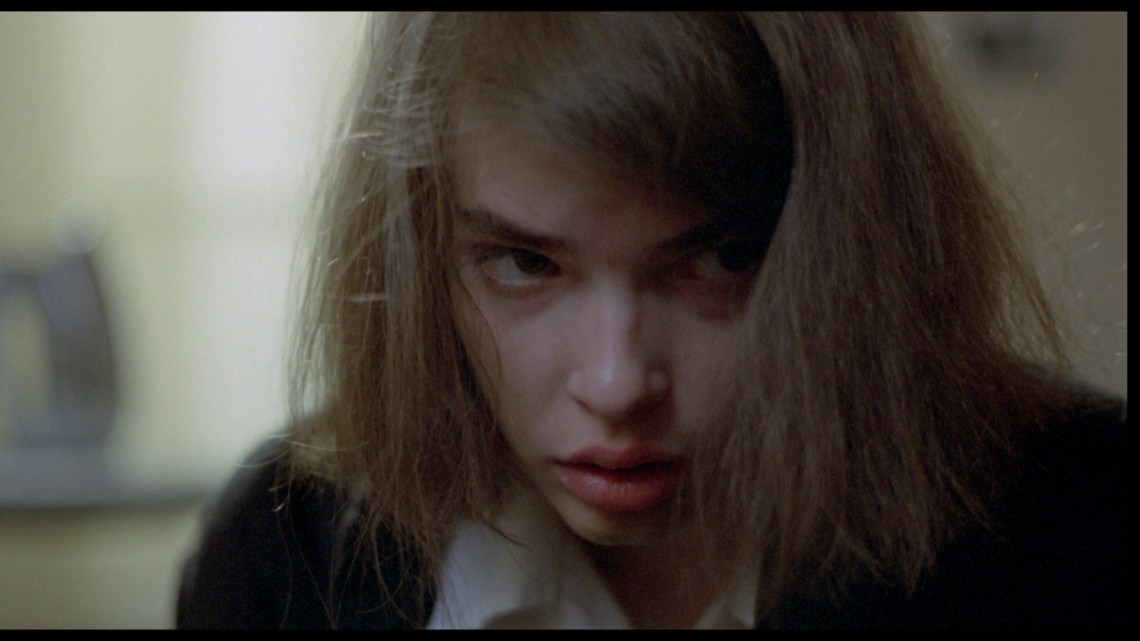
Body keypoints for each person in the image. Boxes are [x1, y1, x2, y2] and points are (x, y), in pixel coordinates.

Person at [176, 12, 1127, 629]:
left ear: (851, 249)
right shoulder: (286, 553)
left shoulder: (1081, 523)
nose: (618, 382)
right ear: (422, 257)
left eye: (721, 259)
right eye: (525, 263)